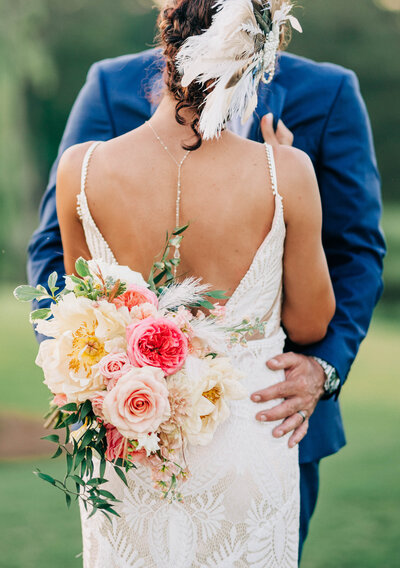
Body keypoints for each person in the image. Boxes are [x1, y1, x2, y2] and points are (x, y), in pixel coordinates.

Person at [27, 0, 385, 565]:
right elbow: (309, 319)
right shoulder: (286, 171)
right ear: (255, 47)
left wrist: (96, 371)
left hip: (138, 425)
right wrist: (286, 192)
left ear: (168, 40)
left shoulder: (83, 165)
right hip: (236, 433)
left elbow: (82, 299)